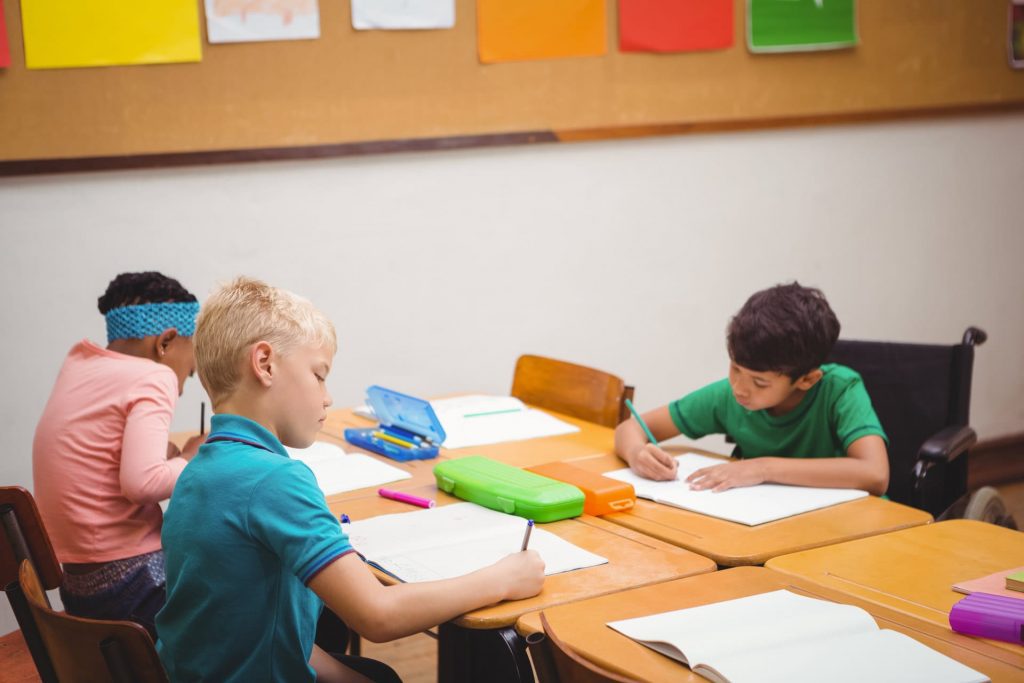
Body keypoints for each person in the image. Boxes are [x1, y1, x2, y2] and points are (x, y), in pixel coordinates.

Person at [156, 277, 545, 682]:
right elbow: (377, 616)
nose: (327, 397)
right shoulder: (275, 480)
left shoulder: (199, 469)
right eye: (319, 375)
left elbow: (255, 626)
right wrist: (502, 579)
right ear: (265, 363)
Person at [33, 271, 204, 637]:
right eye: (188, 372)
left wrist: (168, 454)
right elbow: (142, 484)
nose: (184, 385)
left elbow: (97, 454)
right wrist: (193, 457)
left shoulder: (80, 363)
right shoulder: (152, 377)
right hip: (134, 584)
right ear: (166, 342)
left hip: (78, 586)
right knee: (243, 586)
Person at [615, 282, 889, 495]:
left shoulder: (840, 390)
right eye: (735, 368)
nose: (739, 388)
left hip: (850, 530)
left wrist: (762, 468)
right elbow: (630, 428)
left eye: (760, 382)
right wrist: (637, 454)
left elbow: (875, 475)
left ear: (807, 379)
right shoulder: (728, 395)